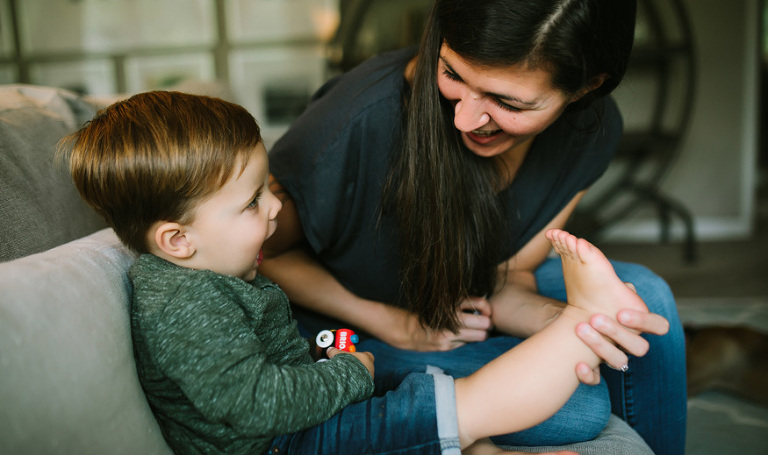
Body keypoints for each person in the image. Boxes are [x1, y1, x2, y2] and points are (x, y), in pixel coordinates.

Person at [60, 90, 659, 455]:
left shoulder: (201, 272)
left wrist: (340, 348)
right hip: (284, 443)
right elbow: (256, 404)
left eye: (266, 190)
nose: (274, 209)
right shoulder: (182, 303)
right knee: (467, 403)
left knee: (434, 386)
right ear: (177, 239)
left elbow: (279, 357)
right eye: (251, 204)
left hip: (304, 399)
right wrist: (350, 372)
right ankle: (582, 322)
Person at [261, 0, 686, 453]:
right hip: (348, 331)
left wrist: (576, 322)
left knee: (647, 302)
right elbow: (257, 251)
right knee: (576, 410)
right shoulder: (352, 124)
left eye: (507, 102)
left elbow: (506, 280)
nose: (464, 120)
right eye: (453, 75)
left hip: (461, 303)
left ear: (584, 88)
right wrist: (390, 322)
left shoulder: (589, 134)